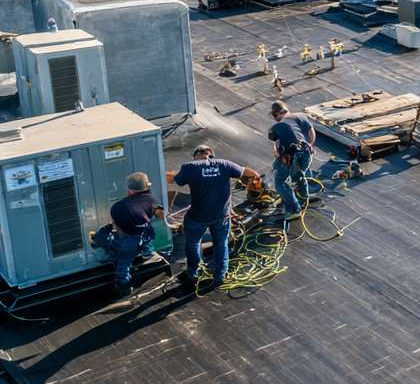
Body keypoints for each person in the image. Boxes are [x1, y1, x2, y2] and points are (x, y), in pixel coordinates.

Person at [167, 145, 254, 293]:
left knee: (193, 242)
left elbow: (173, 179)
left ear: (195, 156)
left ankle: (193, 272)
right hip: (221, 216)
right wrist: (255, 185)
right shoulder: (224, 164)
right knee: (221, 244)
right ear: (211, 155)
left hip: (197, 216)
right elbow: (249, 173)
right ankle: (220, 275)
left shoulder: (189, 167)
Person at [107, 172, 163, 296]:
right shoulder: (151, 200)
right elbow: (159, 214)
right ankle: (146, 252)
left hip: (128, 241)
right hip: (145, 236)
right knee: (147, 237)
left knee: (124, 263)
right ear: (146, 186)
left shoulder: (119, 206)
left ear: (130, 190)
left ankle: (124, 286)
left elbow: (117, 226)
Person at [268, 100, 315, 220]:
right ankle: (305, 197)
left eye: (274, 116)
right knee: (298, 175)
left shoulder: (280, 125)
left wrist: (278, 157)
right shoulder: (300, 115)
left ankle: (295, 209)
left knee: (279, 182)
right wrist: (310, 144)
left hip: (293, 156)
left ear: (277, 114)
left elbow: (277, 149)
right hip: (306, 153)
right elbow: (311, 131)